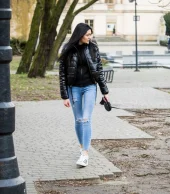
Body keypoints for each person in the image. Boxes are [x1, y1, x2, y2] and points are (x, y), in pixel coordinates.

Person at [59, 23, 109, 167]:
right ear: (80, 35)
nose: (90, 37)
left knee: (86, 118)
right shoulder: (67, 49)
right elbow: (62, 74)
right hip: (73, 88)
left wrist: (105, 92)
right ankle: (82, 147)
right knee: (79, 120)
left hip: (89, 87)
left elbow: (99, 70)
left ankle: (85, 154)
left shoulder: (93, 47)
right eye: (87, 35)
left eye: (90, 34)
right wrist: (64, 96)